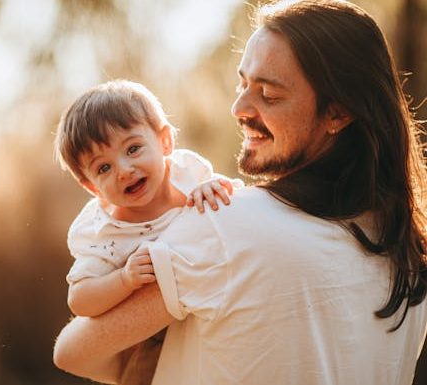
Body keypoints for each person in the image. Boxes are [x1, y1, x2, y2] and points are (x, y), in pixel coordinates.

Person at [53, 1, 427, 384]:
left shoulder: (226, 224)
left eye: (268, 94)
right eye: (242, 83)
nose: (238, 107)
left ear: (337, 113)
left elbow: (71, 352)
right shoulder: (407, 256)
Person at [54, 79, 238, 384]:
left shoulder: (191, 177)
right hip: (149, 340)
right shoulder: (108, 234)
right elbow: (80, 299)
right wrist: (124, 279)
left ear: (165, 141)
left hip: (209, 319)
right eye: (103, 168)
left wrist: (214, 186)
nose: (124, 169)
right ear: (90, 187)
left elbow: (232, 210)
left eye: (133, 148)